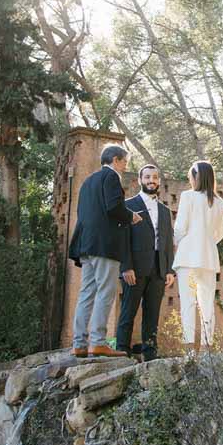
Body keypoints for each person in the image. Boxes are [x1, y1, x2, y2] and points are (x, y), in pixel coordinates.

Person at [68, 144, 143, 357]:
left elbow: (87, 212)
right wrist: (131, 217)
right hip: (105, 245)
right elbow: (113, 207)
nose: (124, 166)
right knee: (106, 291)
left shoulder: (88, 182)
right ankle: (98, 342)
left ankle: (79, 344)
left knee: (86, 293)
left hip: (86, 244)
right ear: (116, 160)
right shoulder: (111, 178)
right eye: (124, 162)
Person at [116, 164, 176, 361]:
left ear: (159, 181)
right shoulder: (128, 205)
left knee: (152, 316)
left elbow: (167, 242)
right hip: (134, 268)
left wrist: (169, 270)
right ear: (140, 181)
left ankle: (150, 355)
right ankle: (122, 352)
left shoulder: (165, 211)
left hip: (159, 270)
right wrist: (126, 266)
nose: (152, 180)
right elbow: (122, 239)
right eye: (148, 177)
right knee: (128, 313)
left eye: (155, 177)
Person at [173, 160, 223, 351]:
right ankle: (207, 350)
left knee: (188, 303)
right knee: (207, 304)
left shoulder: (188, 196)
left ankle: (189, 351)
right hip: (209, 258)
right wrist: (205, 241)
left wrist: (179, 242)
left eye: (191, 177)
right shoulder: (220, 202)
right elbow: (219, 234)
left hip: (187, 257)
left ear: (196, 177)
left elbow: (180, 227)